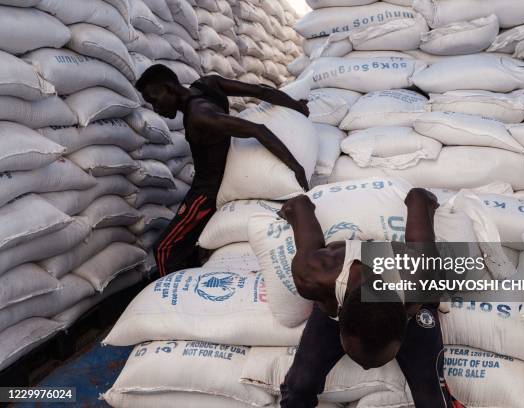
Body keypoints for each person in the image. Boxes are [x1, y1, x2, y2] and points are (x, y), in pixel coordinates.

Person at [277, 188, 464, 408]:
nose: (366, 369)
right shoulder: (313, 276)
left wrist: (419, 198)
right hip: (342, 292)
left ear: (407, 314)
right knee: (299, 385)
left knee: (433, 401)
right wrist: (293, 208)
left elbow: (420, 200)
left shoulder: (423, 279)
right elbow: (298, 205)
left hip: (402, 294)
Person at [134, 65, 310, 277]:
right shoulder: (208, 84)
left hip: (206, 194)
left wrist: (296, 167)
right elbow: (260, 91)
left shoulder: (199, 115)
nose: (156, 109)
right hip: (209, 185)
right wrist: (296, 107)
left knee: (164, 249)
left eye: (154, 100)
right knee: (190, 247)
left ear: (169, 88)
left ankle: (164, 299)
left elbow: (257, 130)